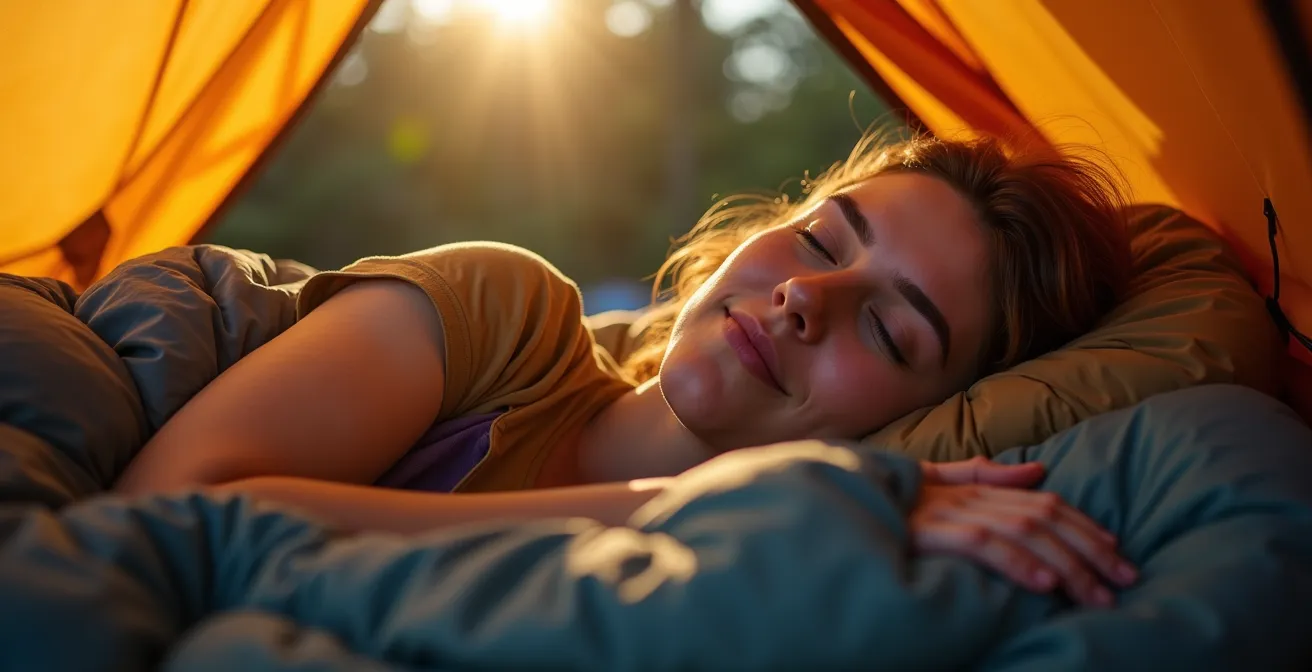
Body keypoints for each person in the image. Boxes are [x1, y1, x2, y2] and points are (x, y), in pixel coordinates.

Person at [113, 131, 1135, 608]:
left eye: (891, 334)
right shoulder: (503, 315)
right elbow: (157, 519)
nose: (804, 298)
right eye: (821, 242)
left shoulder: (771, 583)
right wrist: (677, 504)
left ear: (927, 418)